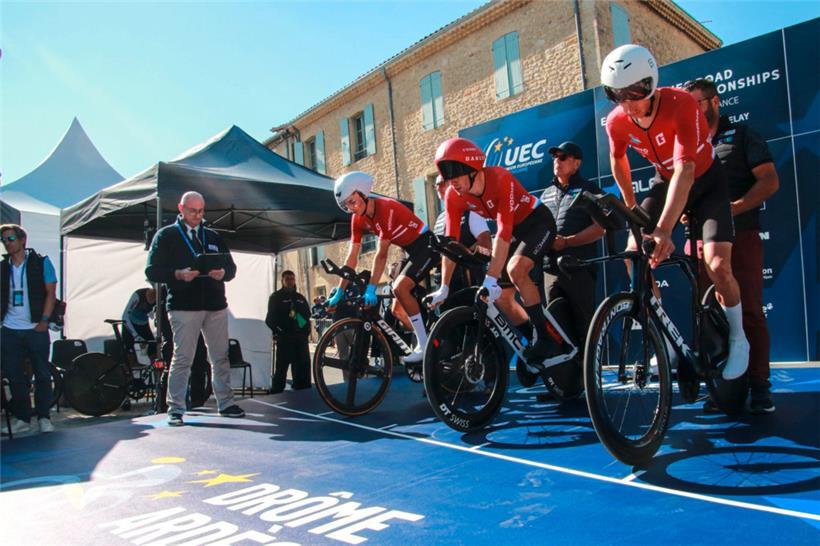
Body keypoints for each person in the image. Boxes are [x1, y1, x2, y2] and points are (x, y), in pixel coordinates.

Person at [600, 43, 750, 380]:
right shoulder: (617, 122)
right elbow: (617, 159)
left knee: (717, 264)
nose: (625, 103)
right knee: (632, 254)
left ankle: (739, 337)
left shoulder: (680, 103)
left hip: (706, 180)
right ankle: (664, 342)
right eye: (615, 94)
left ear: (650, 84)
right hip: (664, 181)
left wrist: (665, 229)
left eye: (632, 92)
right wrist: (630, 207)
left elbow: (686, 170)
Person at [686, 78, 779, 413]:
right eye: (688, 106)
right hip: (701, 242)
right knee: (709, 315)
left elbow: (770, 180)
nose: (693, 111)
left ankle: (760, 386)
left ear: (715, 101)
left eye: (698, 103)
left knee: (749, 310)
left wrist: (734, 207)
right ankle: (721, 389)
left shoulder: (741, 134)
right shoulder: (690, 145)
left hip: (742, 235)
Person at [427, 137, 561, 362]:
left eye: (455, 175)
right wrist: (444, 287)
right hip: (514, 233)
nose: (452, 183)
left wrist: (490, 276)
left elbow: (503, 233)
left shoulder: (499, 178)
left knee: (516, 269)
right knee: (501, 297)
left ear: (472, 169)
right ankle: (533, 340)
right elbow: (451, 245)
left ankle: (546, 338)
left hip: (536, 222)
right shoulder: (453, 195)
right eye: (447, 177)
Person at [145, 191, 245, 426]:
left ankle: (226, 403)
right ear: (181, 208)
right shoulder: (166, 236)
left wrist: (223, 273)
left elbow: (231, 268)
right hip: (183, 306)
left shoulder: (212, 236)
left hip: (215, 305)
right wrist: (177, 274)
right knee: (182, 358)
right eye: (193, 211)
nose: (198, 215)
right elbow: (151, 271)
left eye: (201, 211)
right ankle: (176, 408)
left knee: (220, 356)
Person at [327, 171, 438, 364]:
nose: (351, 208)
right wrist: (339, 291)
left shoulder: (386, 208)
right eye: (347, 206)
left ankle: (425, 343)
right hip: (409, 250)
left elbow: (381, 253)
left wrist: (371, 287)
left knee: (399, 288)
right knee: (396, 309)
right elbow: (351, 257)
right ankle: (433, 336)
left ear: (363, 193)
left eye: (353, 202)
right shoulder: (357, 219)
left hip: (426, 244)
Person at [539, 141, 604, 355]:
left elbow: (600, 228)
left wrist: (567, 241)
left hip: (579, 269)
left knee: (584, 327)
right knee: (556, 330)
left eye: (563, 157)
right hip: (550, 270)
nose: (557, 161)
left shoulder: (589, 189)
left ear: (576, 164)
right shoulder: (546, 194)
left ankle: (589, 381)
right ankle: (566, 385)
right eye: (555, 157)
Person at [0, 224, 57, 434]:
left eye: (11, 238)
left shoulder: (41, 262)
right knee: (15, 376)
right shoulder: (2, 267)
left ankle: (44, 417)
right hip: (9, 329)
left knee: (42, 374)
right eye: (4, 240)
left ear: (23, 240)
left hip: (35, 328)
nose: (7, 243)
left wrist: (43, 321)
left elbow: (51, 293)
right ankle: (22, 418)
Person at [432, 174, 492, 297]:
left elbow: (487, 247)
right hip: (446, 280)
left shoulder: (471, 212)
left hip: (469, 280)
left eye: (441, 183)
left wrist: (466, 251)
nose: (438, 188)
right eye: (436, 185)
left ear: (452, 184)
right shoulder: (440, 219)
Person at [266, 270, 312, 393]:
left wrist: (304, 331)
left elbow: (307, 317)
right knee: (282, 366)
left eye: (292, 279)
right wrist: (278, 332)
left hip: (300, 338)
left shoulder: (300, 298)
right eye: (287, 279)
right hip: (285, 337)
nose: (290, 281)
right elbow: (270, 319)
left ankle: (303, 388)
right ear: (282, 280)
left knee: (302, 365)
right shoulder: (275, 297)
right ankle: (277, 389)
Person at [122, 286, 157, 360]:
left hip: (143, 324)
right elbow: (125, 316)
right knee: (129, 353)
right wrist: (135, 335)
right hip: (130, 324)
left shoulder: (159, 298)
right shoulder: (138, 295)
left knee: (153, 349)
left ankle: (152, 367)